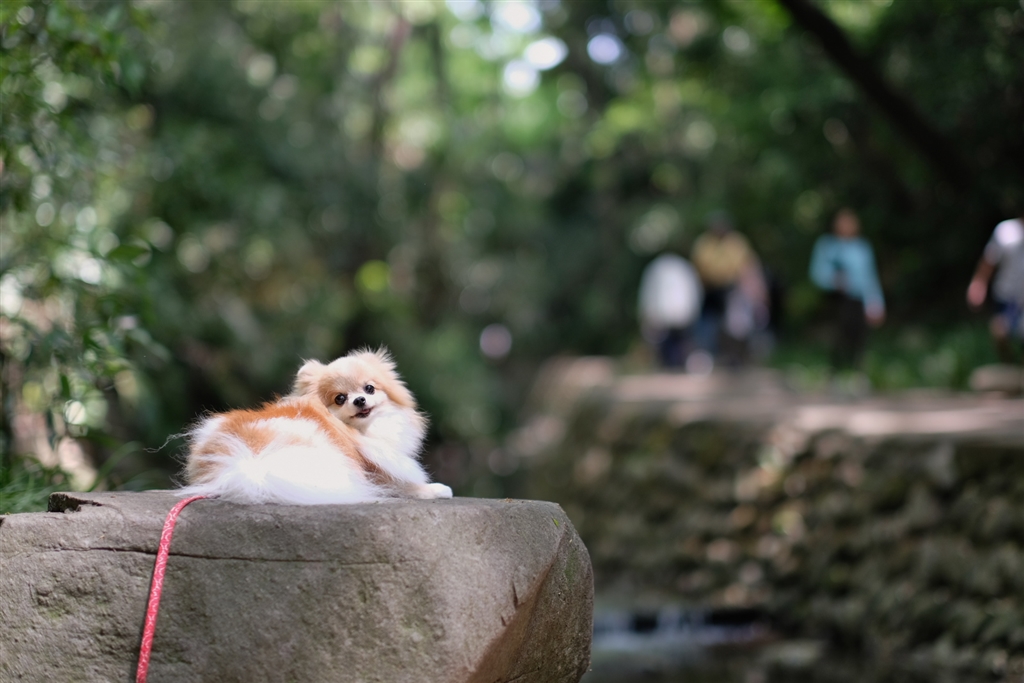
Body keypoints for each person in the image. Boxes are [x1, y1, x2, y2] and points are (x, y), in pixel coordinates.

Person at [809, 208, 885, 370]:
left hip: (859, 300)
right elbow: (817, 273)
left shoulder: (862, 248)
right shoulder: (827, 245)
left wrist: (876, 303)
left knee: (860, 337)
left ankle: (857, 372)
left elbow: (870, 278)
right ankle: (835, 372)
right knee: (838, 336)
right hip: (836, 300)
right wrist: (834, 280)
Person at [691, 212, 766, 366]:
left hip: (732, 289)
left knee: (735, 325)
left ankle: (736, 356)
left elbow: (747, 267)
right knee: (708, 324)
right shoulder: (704, 243)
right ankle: (707, 355)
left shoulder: (737, 243)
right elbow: (698, 268)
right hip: (709, 290)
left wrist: (755, 289)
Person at [967, 215, 1024, 362]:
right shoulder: (1005, 231)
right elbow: (988, 262)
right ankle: (1008, 363)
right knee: (1000, 332)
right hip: (1006, 296)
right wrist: (978, 284)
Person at [638, 252, 703, 369]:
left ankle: (672, 365)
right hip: (680, 312)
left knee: (672, 343)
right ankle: (674, 365)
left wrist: (647, 312)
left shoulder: (657, 266)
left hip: (668, 313)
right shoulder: (683, 266)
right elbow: (694, 290)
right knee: (674, 342)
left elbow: (648, 292)